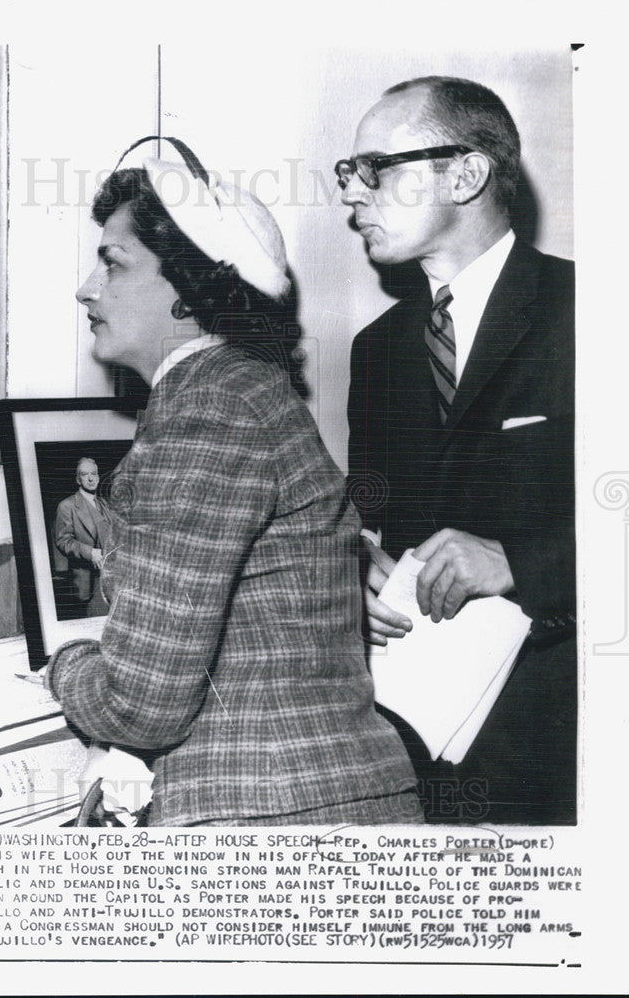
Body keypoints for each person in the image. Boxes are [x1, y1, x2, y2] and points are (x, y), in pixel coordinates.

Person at [44, 137, 421, 826]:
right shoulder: (246, 391)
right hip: (321, 798)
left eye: (112, 263)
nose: (87, 288)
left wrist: (62, 661)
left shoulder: (206, 408)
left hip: (270, 813)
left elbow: (141, 704)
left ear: (188, 289)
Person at [340, 77, 576, 824]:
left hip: (562, 741)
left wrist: (518, 562)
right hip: (409, 733)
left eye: (375, 168)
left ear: (466, 173)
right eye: (348, 174)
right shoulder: (375, 350)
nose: (353, 195)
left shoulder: (597, 314)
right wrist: (351, 568)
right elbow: (367, 515)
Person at [54, 457, 112, 614]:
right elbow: (63, 541)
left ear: (99, 477)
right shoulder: (67, 506)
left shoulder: (105, 504)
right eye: (85, 474)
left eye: (94, 473)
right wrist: (90, 553)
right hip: (87, 582)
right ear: (78, 480)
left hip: (112, 581)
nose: (91, 478)